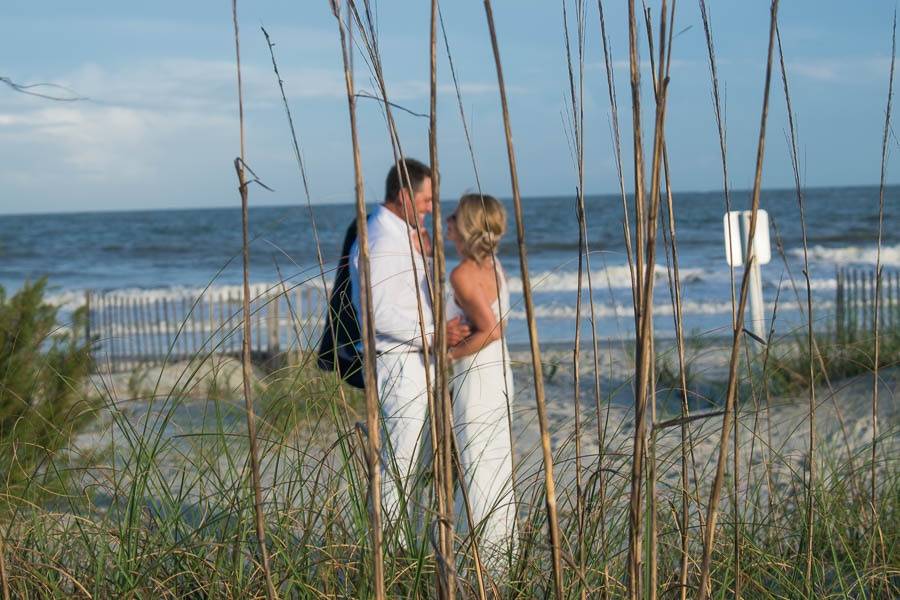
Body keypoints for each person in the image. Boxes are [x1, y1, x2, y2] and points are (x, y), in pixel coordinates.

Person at [348, 158, 470, 526]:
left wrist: (429, 256)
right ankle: (391, 549)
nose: (432, 207)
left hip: (415, 361)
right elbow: (379, 314)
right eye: (427, 199)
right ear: (404, 195)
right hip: (398, 363)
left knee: (413, 462)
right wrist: (434, 335)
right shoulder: (382, 239)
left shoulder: (401, 234)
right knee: (397, 465)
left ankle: (406, 540)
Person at [445, 193, 516, 565]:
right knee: (493, 464)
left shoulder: (462, 274)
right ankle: (498, 558)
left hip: (477, 378)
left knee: (477, 465)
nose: (447, 219)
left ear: (467, 224)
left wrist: (446, 355)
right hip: (497, 375)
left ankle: (481, 564)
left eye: (454, 215)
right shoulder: (494, 266)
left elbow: (491, 329)